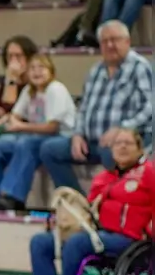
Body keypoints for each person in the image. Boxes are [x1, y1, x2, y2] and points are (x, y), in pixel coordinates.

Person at [29, 128, 155, 275]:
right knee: (41, 242)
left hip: (130, 241)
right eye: (118, 143)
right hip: (98, 235)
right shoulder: (104, 178)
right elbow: (86, 211)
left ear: (140, 149)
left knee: (78, 243)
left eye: (128, 143)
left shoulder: (148, 173)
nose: (122, 146)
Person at [38, 20, 155, 193]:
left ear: (127, 42)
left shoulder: (140, 67)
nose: (109, 45)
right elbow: (84, 108)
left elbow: (149, 108)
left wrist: (121, 129)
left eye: (115, 39)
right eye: (105, 41)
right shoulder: (95, 71)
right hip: (91, 141)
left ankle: (113, 206)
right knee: (49, 149)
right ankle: (79, 204)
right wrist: (77, 134)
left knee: (113, 152)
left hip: (126, 140)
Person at [0, 53, 78, 211]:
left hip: (59, 137)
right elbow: (16, 115)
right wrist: (3, 121)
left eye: (42, 67)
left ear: (51, 71)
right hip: (34, 134)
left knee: (25, 143)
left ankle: (13, 196)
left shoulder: (56, 89)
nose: (37, 72)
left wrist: (20, 127)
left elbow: (51, 127)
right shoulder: (29, 90)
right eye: (32, 68)